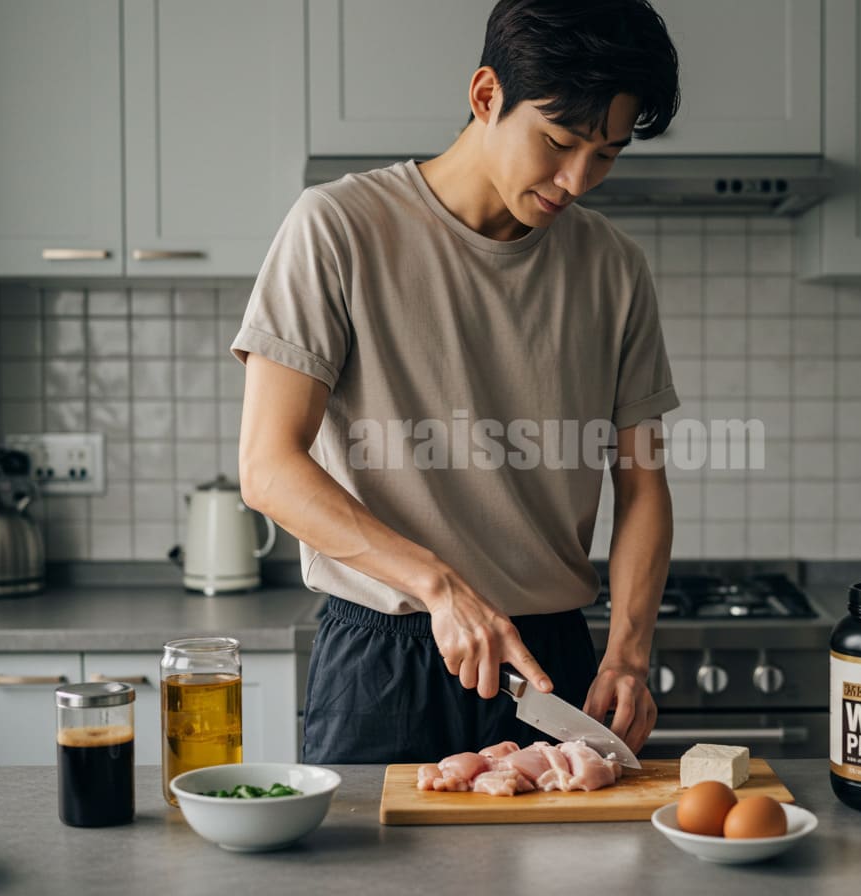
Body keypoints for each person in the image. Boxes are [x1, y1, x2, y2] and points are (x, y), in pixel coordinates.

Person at [231, 0, 681, 764]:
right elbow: (268, 468)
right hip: (385, 656)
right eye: (559, 141)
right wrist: (439, 586)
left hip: (552, 665)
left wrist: (629, 652)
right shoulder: (336, 229)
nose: (578, 180)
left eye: (605, 153)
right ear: (484, 97)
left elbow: (642, 485)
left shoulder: (614, 269)